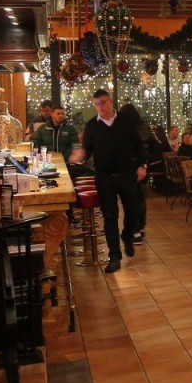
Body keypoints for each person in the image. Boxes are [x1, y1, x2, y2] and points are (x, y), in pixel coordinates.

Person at [71, 89, 147, 273]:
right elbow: (87, 149)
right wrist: (81, 155)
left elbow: (139, 144)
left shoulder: (125, 121)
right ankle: (114, 256)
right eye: (97, 104)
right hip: (104, 176)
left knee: (133, 211)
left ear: (111, 102)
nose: (100, 107)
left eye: (103, 102)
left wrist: (142, 165)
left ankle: (127, 235)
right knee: (110, 216)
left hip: (126, 173)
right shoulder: (92, 125)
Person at [119, 103, 152, 244]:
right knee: (140, 198)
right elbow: (155, 145)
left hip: (129, 167)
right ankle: (141, 228)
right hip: (143, 166)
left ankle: (135, 231)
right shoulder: (144, 126)